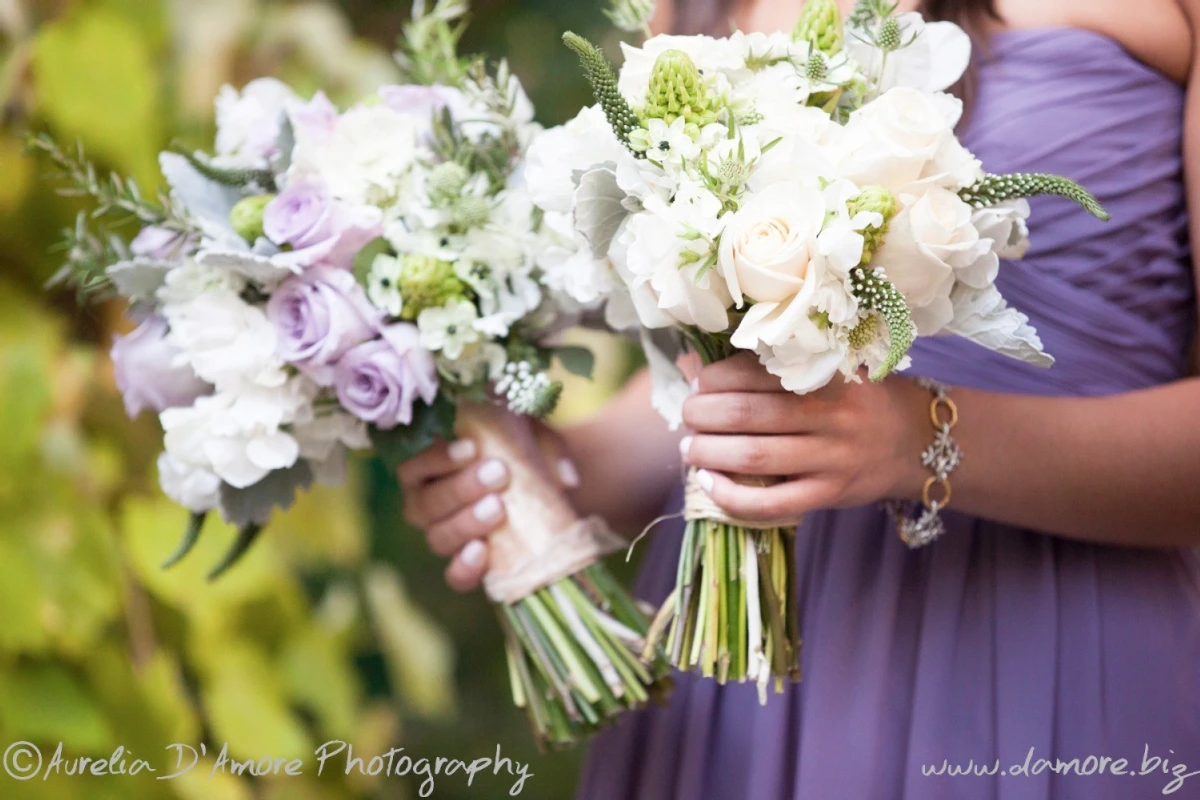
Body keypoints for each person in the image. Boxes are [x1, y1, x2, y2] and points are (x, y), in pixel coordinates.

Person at [399, 0, 1200, 796]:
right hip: (751, 683)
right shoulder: (694, 10)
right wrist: (564, 472)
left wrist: (912, 439)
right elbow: (704, 376)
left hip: (1049, 641)